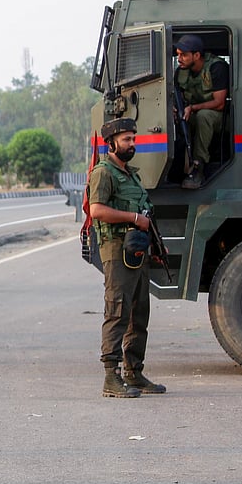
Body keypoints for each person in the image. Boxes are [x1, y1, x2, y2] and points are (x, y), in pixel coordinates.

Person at [87, 117, 167, 398]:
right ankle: (111, 377)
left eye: (134, 139)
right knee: (117, 311)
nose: (132, 144)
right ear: (111, 143)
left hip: (136, 250)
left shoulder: (131, 174)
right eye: (127, 140)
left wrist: (156, 245)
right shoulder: (103, 172)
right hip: (116, 249)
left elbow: (145, 213)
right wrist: (133, 218)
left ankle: (134, 372)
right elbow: (97, 210)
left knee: (139, 313)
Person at [174, 34, 229, 189]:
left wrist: (193, 108)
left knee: (203, 116)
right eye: (178, 55)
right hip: (194, 113)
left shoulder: (216, 67)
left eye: (184, 55)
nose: (179, 59)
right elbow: (177, 97)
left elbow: (219, 103)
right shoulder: (180, 72)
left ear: (197, 55)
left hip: (221, 118)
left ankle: (198, 165)